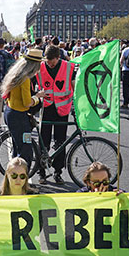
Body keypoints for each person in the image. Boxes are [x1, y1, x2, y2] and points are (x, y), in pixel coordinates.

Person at [0, 48, 46, 167]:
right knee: (26, 151)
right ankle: (22, 181)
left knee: (17, 149)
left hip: (10, 111)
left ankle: (13, 178)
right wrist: (38, 97)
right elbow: (27, 103)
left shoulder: (17, 74)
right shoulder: (25, 79)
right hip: (19, 116)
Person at [37, 44, 74, 184]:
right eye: (47, 61)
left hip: (62, 110)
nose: (49, 64)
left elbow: (74, 86)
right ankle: (41, 172)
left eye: (52, 62)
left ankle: (58, 172)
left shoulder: (69, 67)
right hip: (46, 108)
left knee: (60, 142)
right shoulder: (40, 67)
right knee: (43, 141)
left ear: (58, 58)